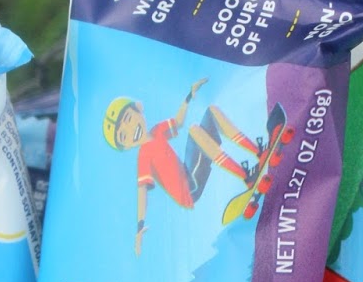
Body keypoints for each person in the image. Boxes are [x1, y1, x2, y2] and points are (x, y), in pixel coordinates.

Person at [103, 79, 272, 254]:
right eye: (124, 136)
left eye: (129, 119)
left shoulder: (156, 131)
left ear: (139, 108)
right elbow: (142, 192)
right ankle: (246, 177)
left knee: (212, 111)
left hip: (189, 168)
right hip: (189, 189)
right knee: (194, 131)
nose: (131, 130)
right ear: (126, 146)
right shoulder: (143, 156)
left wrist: (189, 96)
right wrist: (139, 227)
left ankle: (258, 152)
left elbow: (178, 121)